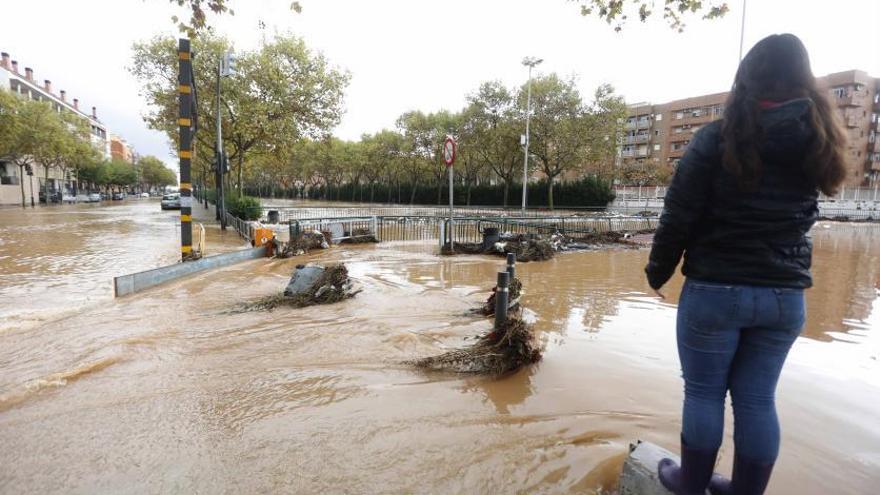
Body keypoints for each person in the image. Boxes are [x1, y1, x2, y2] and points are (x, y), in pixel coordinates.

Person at [645, 33, 848, 495]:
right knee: (757, 399)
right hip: (784, 298)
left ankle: (690, 483)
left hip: (716, 292)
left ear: (746, 81)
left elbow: (679, 213)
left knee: (703, 394)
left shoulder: (715, 139)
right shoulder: (818, 143)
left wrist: (659, 270)